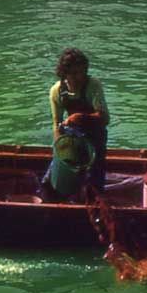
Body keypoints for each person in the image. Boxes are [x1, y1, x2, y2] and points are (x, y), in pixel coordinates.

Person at [42, 48, 110, 201]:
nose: (78, 77)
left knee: (94, 182)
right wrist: (60, 150)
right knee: (50, 181)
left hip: (95, 137)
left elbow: (105, 118)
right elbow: (57, 123)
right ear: (64, 73)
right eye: (73, 73)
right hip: (72, 138)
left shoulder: (93, 85)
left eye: (81, 72)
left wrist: (80, 117)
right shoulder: (57, 91)